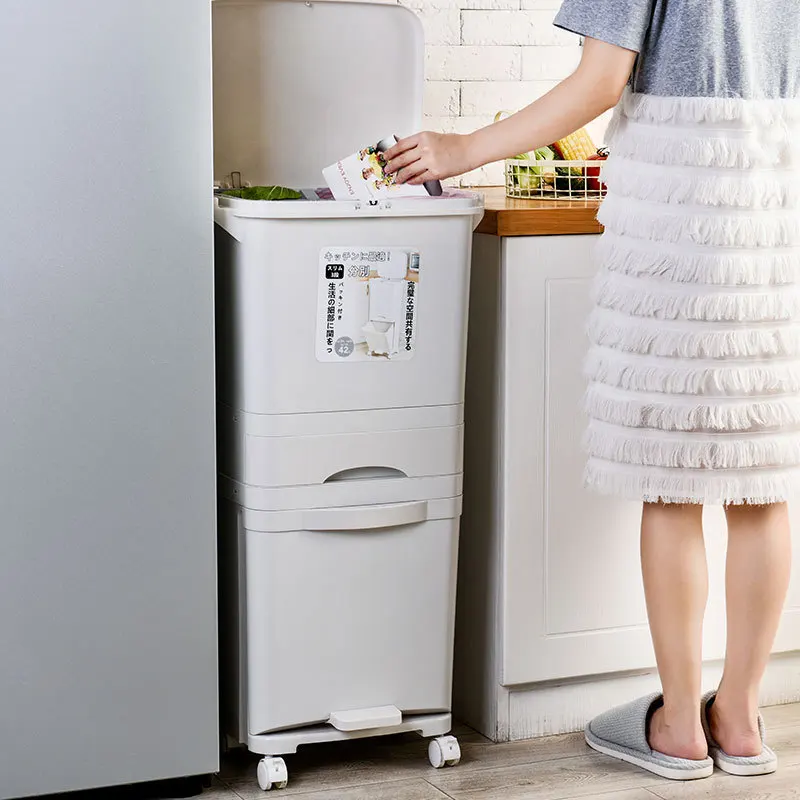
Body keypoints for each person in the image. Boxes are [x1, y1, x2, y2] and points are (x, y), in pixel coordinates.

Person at [386, 0, 798, 783]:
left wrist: (462, 148)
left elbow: (601, 81)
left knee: (671, 481)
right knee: (761, 480)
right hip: (776, 205)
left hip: (683, 203)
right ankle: (741, 723)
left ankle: (680, 726)